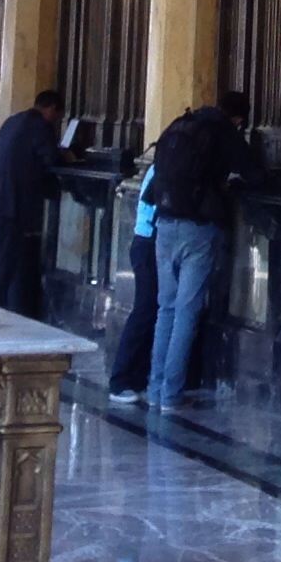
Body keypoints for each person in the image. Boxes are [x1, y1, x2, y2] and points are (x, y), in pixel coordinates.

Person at [141, 89, 258, 408]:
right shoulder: (224, 131)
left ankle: (154, 389)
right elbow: (255, 171)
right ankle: (170, 393)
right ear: (238, 118)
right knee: (186, 311)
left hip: (163, 223)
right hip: (197, 229)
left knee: (165, 308)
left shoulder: (182, 123)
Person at [0, 88, 64, 316]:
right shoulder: (40, 126)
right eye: (58, 116)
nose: (57, 122)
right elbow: (50, 158)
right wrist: (67, 155)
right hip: (10, 203)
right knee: (3, 263)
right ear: (51, 109)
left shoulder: (13, 120)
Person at [104, 147, 160, 404]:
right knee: (145, 310)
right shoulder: (165, 169)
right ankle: (121, 379)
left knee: (149, 310)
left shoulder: (157, 165)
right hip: (150, 243)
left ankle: (135, 377)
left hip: (144, 242)